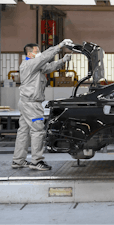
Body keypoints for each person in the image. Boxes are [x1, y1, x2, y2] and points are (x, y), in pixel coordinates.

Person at [11, 39, 73, 171]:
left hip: (26, 102)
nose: (39, 53)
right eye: (37, 51)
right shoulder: (29, 64)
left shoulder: (35, 66)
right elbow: (45, 57)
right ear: (29, 54)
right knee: (38, 131)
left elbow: (48, 67)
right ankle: (36, 161)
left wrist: (62, 61)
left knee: (24, 131)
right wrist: (60, 46)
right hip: (32, 105)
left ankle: (18, 160)